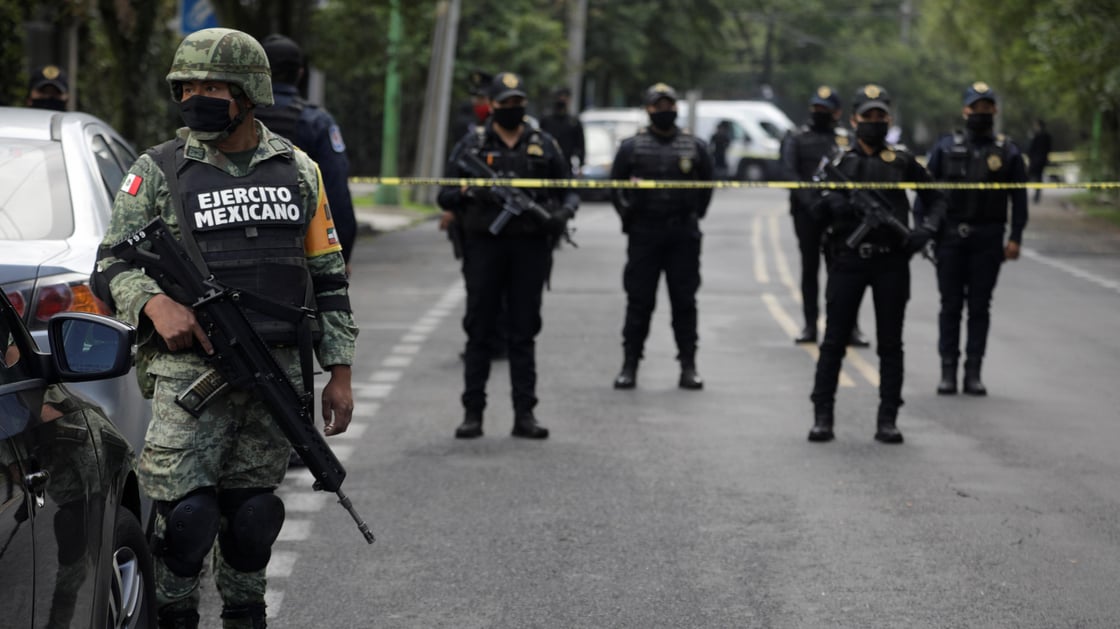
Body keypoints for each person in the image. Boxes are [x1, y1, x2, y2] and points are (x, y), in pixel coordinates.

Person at [93, 28, 357, 628]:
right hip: (190, 376)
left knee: (254, 519)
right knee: (184, 526)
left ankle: (245, 615)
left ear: (248, 91)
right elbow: (110, 263)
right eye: (185, 86)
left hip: (275, 373)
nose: (195, 97)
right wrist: (155, 304)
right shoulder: (157, 169)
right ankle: (176, 617)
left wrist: (339, 372)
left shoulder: (299, 171)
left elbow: (329, 278)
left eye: (210, 86)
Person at [437, 71, 578, 440]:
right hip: (484, 247)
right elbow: (445, 195)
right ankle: (473, 414)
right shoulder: (472, 146)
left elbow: (569, 190)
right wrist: (471, 194)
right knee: (479, 329)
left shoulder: (544, 144)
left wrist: (562, 215)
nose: (513, 109)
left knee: (523, 330)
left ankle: (524, 414)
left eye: (519, 103)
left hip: (530, 249)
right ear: (493, 106)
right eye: (506, 104)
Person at [807, 84, 946, 444]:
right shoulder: (839, 163)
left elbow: (937, 199)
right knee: (834, 341)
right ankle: (823, 417)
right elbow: (813, 207)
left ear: (888, 119)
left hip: (891, 261)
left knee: (890, 343)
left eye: (880, 116)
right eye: (867, 116)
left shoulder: (901, 161)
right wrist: (831, 207)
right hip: (848, 259)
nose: (873, 122)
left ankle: (888, 419)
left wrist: (925, 231)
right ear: (853, 119)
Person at [920, 82, 1028, 396]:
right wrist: (925, 230)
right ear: (965, 110)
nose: (980, 112)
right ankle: (948, 371)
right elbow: (925, 193)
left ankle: (973, 372)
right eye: (975, 107)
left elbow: (1018, 199)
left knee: (980, 307)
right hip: (950, 237)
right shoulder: (944, 147)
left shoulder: (1008, 151)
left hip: (988, 237)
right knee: (950, 305)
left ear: (994, 110)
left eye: (986, 107)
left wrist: (1016, 237)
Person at [609, 82, 714, 391]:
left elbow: (707, 184)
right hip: (645, 232)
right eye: (659, 106)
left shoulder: (694, 145)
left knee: (685, 301)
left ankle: (688, 365)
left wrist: (694, 214)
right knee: (639, 301)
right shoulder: (632, 147)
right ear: (648, 109)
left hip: (683, 233)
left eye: (669, 105)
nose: (665, 111)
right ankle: (629, 364)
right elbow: (616, 186)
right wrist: (628, 215)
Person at [255, 34, 358, 270]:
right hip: (300, 251)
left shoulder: (234, 118)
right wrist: (341, 255)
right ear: (300, 73)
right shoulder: (316, 121)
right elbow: (336, 192)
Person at [779, 85, 871, 347]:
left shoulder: (845, 139)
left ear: (837, 112)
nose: (820, 113)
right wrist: (812, 201)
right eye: (816, 108)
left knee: (844, 271)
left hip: (840, 214)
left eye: (825, 109)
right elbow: (789, 172)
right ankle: (810, 325)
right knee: (810, 269)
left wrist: (836, 202)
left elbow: (856, 171)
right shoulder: (797, 137)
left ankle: (849, 327)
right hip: (807, 213)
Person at [539, 86, 585, 176]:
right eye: (560, 97)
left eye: (565, 98)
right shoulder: (546, 119)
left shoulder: (573, 122)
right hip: (547, 163)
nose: (562, 100)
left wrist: (580, 164)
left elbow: (580, 145)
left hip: (567, 164)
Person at [1026, 119, 1052, 203]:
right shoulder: (1046, 136)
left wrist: (1030, 156)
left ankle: (1026, 194)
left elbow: (1031, 148)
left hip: (1035, 160)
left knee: (1029, 176)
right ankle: (1036, 195)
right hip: (1041, 160)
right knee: (1038, 177)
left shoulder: (1037, 135)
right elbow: (1049, 149)